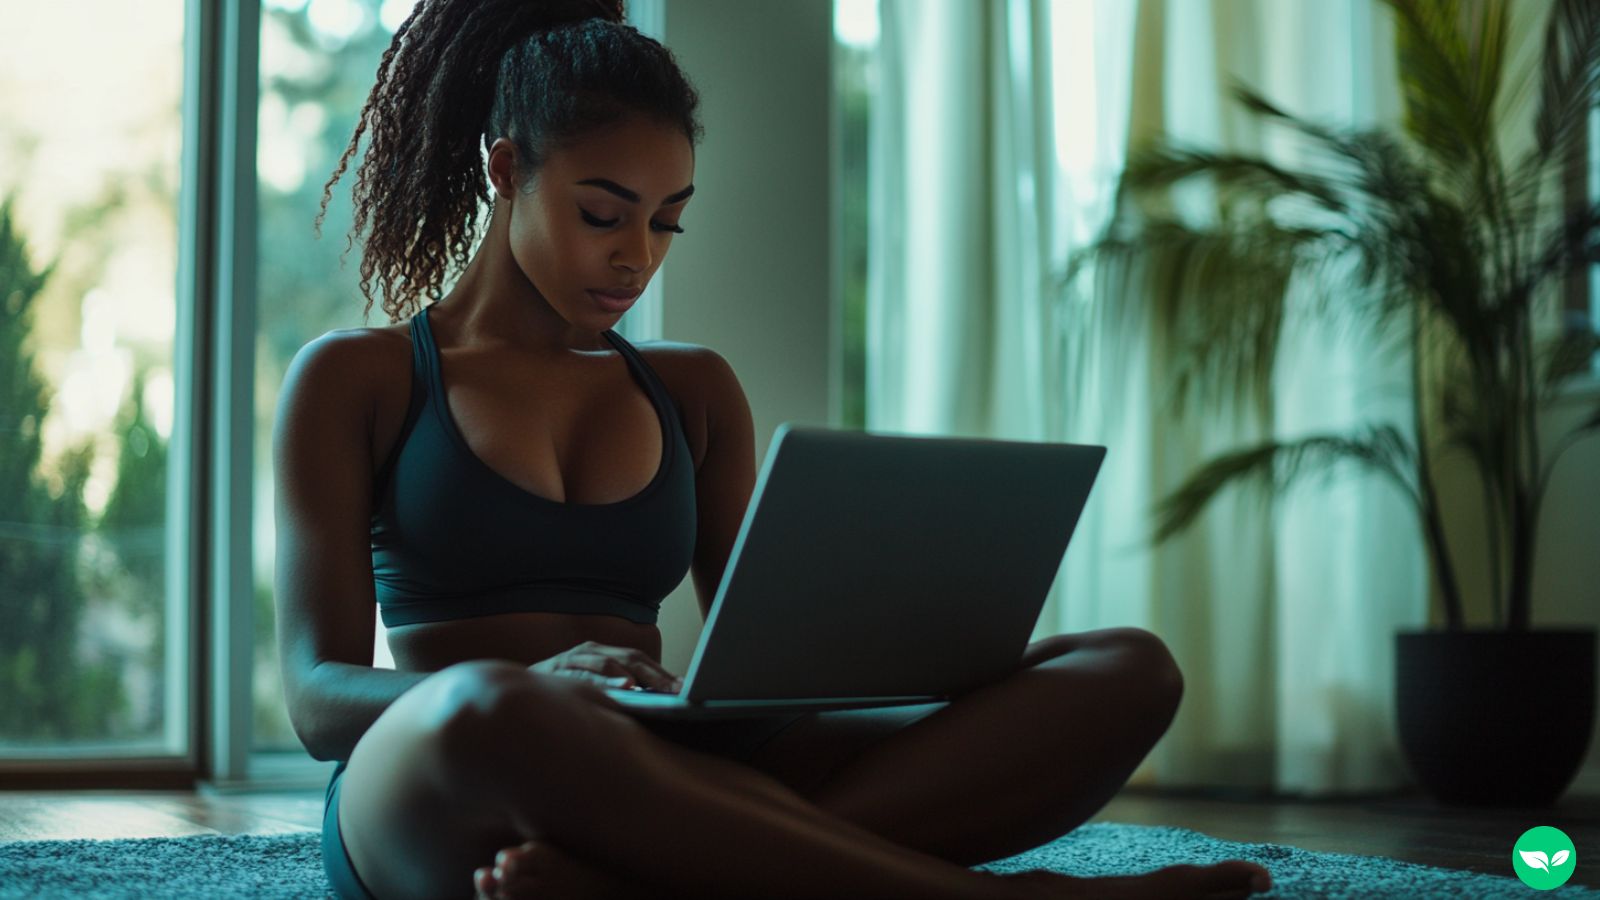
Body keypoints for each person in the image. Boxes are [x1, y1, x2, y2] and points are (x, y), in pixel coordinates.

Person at [272, 1, 1277, 898]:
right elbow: (320, 701)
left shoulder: (691, 387)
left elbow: (767, 659)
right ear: (504, 168)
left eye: (668, 222)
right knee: (491, 707)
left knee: (1125, 669)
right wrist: (544, 687)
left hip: (668, 771)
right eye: (601, 214)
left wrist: (916, 639)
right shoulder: (360, 377)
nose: (638, 258)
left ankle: (664, 881)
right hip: (456, 783)